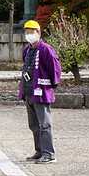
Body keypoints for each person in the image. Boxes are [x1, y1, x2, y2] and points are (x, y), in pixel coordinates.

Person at [18, 20, 62, 164]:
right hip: (29, 91)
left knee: (44, 124)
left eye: (32, 32)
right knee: (34, 125)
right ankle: (39, 151)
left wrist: (51, 86)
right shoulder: (27, 50)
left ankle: (49, 153)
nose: (29, 35)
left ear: (38, 33)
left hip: (41, 92)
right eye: (27, 32)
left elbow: (55, 68)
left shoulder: (46, 49)